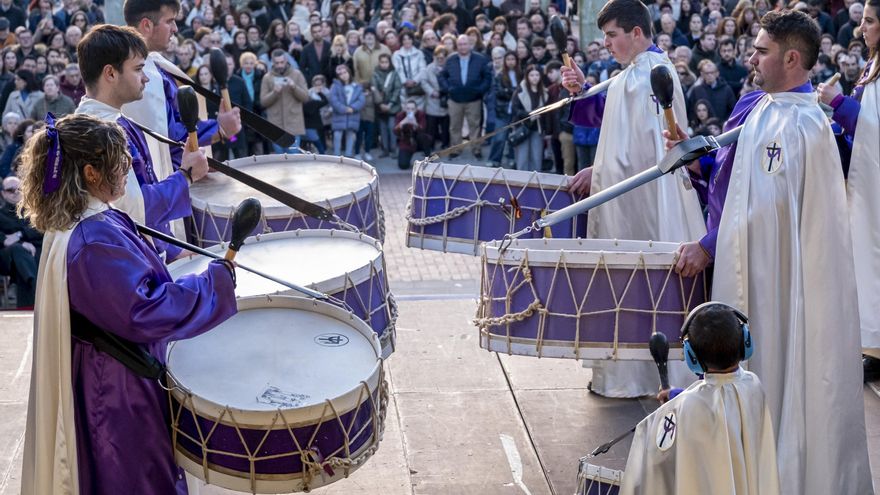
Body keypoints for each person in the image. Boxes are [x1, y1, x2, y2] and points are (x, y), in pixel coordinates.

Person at [670, 10, 873, 494]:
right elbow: (738, 182)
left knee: (784, 372)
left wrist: (709, 246)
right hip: (752, 273)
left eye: (762, 51)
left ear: (792, 58)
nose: (751, 58)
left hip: (782, 285)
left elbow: (773, 213)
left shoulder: (807, 125)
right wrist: (698, 165)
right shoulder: (759, 106)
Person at [18, 113, 237, 495]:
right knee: (139, 480)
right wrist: (212, 283)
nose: (128, 168)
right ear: (90, 173)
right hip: (120, 388)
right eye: (120, 161)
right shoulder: (93, 239)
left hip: (113, 372)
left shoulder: (89, 220)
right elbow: (143, 311)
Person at [561, 0, 706, 398]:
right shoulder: (635, 73)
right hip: (631, 195)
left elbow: (645, 150)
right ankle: (628, 374)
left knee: (640, 281)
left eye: (612, 35)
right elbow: (612, 123)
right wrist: (580, 91)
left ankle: (642, 377)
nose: (607, 43)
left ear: (636, 33)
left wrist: (601, 172)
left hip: (646, 199)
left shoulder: (652, 74)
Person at [76, 25, 209, 260]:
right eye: (138, 69)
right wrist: (186, 175)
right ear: (110, 74)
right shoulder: (99, 135)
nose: (146, 77)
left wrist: (173, 251)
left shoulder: (113, 122)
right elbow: (134, 211)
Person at [621, 303, 780, 495]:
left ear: (692, 356)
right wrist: (675, 396)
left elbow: (655, 461)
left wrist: (670, 409)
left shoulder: (686, 406)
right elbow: (720, 405)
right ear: (744, 342)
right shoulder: (754, 386)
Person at [121, 0, 240, 240]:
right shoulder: (144, 77)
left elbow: (176, 122)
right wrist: (218, 130)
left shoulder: (154, 64)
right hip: (167, 190)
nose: (176, 29)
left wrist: (218, 130)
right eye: (170, 21)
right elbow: (168, 139)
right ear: (146, 25)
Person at [819, 0, 880, 381]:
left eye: (870, 21)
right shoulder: (872, 66)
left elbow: (875, 127)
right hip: (866, 181)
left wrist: (838, 104)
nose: (861, 29)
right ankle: (872, 345)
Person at [438, 34, 493, 159]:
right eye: (460, 44)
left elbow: (487, 77)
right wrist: (448, 89)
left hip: (474, 99)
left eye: (465, 44)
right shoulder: (450, 59)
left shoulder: (480, 59)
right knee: (454, 126)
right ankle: (456, 149)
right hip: (455, 99)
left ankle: (476, 148)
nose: (462, 47)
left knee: (475, 126)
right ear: (457, 46)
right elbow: (442, 76)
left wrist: (480, 89)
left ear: (470, 45)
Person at [0, 175, 40, 309]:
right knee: (19, 250)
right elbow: (5, 240)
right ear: (3, 193)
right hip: (7, 258)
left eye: (19, 189)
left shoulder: (33, 213)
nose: (15, 192)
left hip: (31, 256)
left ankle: (28, 303)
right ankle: (37, 290)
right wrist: (21, 243)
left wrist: (19, 235)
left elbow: (41, 230)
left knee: (34, 253)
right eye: (10, 190)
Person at [260, 48, 309, 154]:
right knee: (280, 160)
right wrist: (274, 92)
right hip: (275, 125)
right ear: (272, 62)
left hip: (294, 124)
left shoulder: (297, 74)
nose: (280, 65)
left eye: (282, 62)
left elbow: (305, 98)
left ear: (286, 61)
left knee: (294, 158)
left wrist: (294, 87)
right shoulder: (267, 78)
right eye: (277, 63)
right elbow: (263, 102)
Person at [510, 64, 547, 171]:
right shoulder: (520, 91)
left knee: (536, 157)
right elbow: (515, 110)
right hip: (522, 127)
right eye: (532, 75)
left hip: (537, 128)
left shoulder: (544, 92)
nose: (535, 78)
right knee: (522, 158)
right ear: (527, 76)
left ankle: (535, 180)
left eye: (537, 75)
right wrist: (529, 114)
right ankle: (521, 180)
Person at [329, 63, 364, 156]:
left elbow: (361, 100)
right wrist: (343, 108)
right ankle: (336, 155)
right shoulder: (335, 86)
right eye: (341, 74)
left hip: (352, 115)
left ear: (349, 73)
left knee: (351, 135)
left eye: (345, 72)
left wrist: (353, 108)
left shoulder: (356, 86)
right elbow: (333, 100)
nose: (344, 75)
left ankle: (348, 155)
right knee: (337, 135)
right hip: (339, 115)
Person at [393, 99, 429, 169]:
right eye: (408, 109)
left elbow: (423, 129)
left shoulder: (421, 114)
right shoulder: (400, 115)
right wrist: (402, 123)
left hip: (419, 140)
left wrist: (415, 124)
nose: (410, 111)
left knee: (424, 137)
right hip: (407, 141)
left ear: (416, 109)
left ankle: (428, 157)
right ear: (405, 109)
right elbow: (395, 132)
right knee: (403, 165)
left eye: (413, 109)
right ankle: (407, 157)